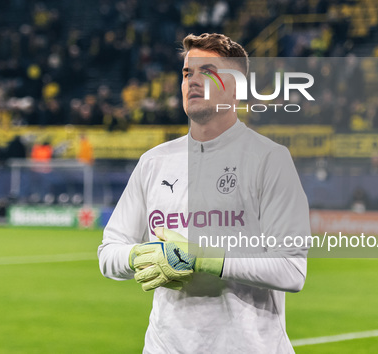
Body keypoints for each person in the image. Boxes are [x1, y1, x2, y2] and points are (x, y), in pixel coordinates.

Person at [98, 33, 310, 353]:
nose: (193, 81)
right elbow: (109, 251)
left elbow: (292, 270)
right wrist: (142, 255)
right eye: (187, 73)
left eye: (207, 72)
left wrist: (206, 258)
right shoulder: (153, 163)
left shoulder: (269, 160)